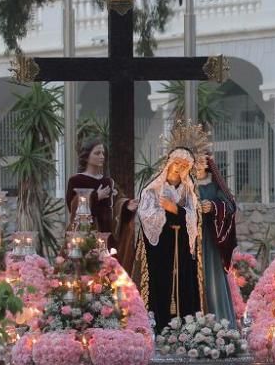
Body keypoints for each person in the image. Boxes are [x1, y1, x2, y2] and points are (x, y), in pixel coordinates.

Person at [135, 122, 207, 333]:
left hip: (182, 246)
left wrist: (176, 210)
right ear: (169, 163)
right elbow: (145, 214)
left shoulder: (187, 190)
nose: (180, 167)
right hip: (160, 248)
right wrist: (166, 212)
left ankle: (185, 327)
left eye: (185, 165)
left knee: (183, 284)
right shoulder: (154, 188)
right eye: (177, 163)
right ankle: (159, 324)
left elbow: (194, 215)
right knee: (162, 285)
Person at [65, 139, 138, 266]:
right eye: (97, 153)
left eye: (103, 153)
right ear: (87, 156)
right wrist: (95, 197)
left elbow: (117, 202)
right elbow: (73, 207)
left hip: (107, 233)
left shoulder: (108, 182)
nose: (102, 157)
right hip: (85, 233)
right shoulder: (76, 180)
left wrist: (126, 206)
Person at [193, 153, 238, 327]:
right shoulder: (187, 184)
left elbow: (230, 206)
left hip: (210, 240)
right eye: (195, 160)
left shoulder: (214, 184)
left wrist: (213, 206)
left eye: (202, 160)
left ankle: (220, 323)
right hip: (190, 240)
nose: (198, 164)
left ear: (207, 163)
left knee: (212, 278)